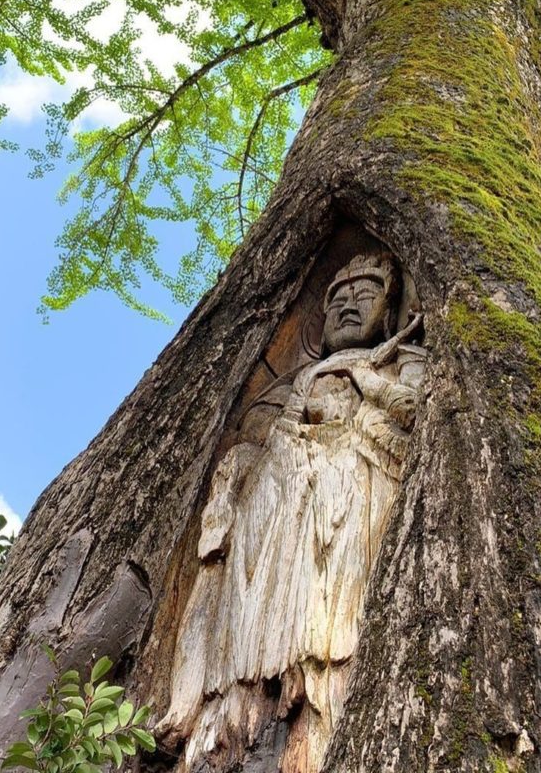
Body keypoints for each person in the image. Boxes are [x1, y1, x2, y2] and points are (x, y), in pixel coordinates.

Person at [158, 253, 427, 772]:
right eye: (337, 299)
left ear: (390, 313)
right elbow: (258, 434)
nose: (348, 304)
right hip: (278, 510)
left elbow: (416, 415)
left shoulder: (402, 358)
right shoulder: (295, 382)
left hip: (350, 503)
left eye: (364, 294)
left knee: (327, 636)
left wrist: (364, 382)